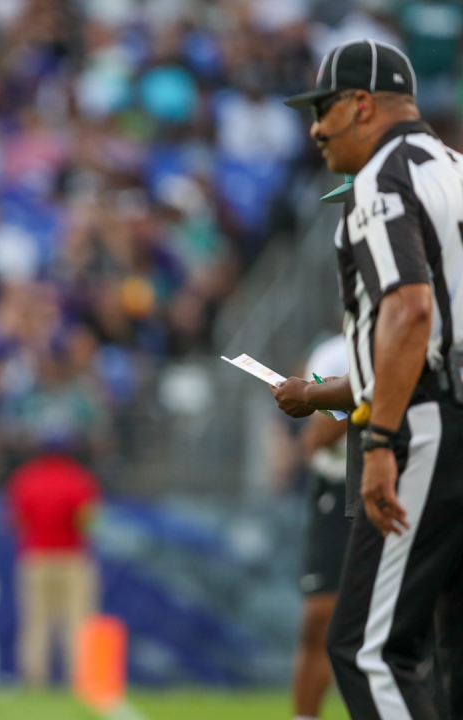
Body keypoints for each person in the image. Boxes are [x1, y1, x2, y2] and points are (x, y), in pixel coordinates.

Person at [272, 40, 463, 719]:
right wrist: (326, 395)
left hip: (428, 420)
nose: (315, 129)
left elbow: (412, 314)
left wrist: (379, 441)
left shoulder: (382, 180)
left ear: (360, 104)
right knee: (449, 649)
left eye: (322, 110)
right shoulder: (455, 169)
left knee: (366, 648)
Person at [287, 335, 351, 720]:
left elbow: (322, 434)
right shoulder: (333, 352)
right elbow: (318, 438)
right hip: (339, 487)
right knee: (319, 617)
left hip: (395, 479)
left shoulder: (412, 334)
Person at [4, 451, 100, 689]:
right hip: (72, 558)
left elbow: (14, 522)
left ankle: (35, 682)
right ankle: (80, 682)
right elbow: (88, 521)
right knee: (77, 623)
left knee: (36, 624)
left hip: (36, 559)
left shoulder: (26, 478)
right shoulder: (78, 478)